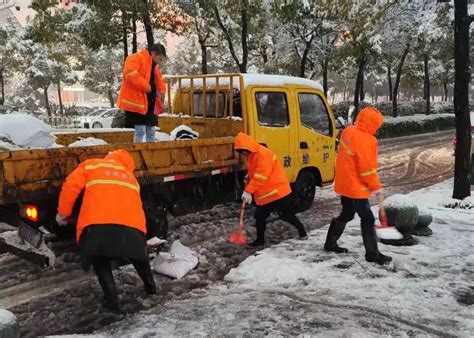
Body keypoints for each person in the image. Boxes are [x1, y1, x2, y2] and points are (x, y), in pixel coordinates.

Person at [56, 149, 157, 311]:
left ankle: (111, 299)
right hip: (132, 229)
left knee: (100, 259)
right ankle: (151, 287)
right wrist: (140, 238)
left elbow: (70, 187)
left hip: (96, 227)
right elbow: (137, 208)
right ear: (127, 165)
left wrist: (63, 213)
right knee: (139, 257)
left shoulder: (91, 165)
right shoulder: (131, 178)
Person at [324, 106, 392, 265]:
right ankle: (372, 254)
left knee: (347, 214)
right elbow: (366, 169)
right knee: (367, 219)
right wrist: (376, 186)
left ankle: (330, 242)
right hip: (356, 188)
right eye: (377, 124)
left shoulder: (349, 131)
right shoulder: (367, 140)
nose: (378, 127)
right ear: (372, 123)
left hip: (344, 184)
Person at [234, 132, 308, 247]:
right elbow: (257, 171)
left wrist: (248, 190)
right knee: (259, 217)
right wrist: (249, 175)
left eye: (243, 150)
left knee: (286, 215)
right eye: (240, 151)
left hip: (278, 192)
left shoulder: (263, 154)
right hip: (266, 194)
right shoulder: (251, 155)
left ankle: (302, 232)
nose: (243, 153)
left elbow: (261, 176)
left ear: (249, 146)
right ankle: (260, 241)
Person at [117, 43, 167, 143]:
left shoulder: (154, 65)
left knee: (151, 130)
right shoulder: (136, 58)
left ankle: (150, 154)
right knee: (140, 131)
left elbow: (159, 80)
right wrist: (146, 87)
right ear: (153, 53)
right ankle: (139, 153)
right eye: (160, 59)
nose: (160, 62)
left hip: (149, 103)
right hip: (137, 103)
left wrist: (162, 92)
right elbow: (130, 74)